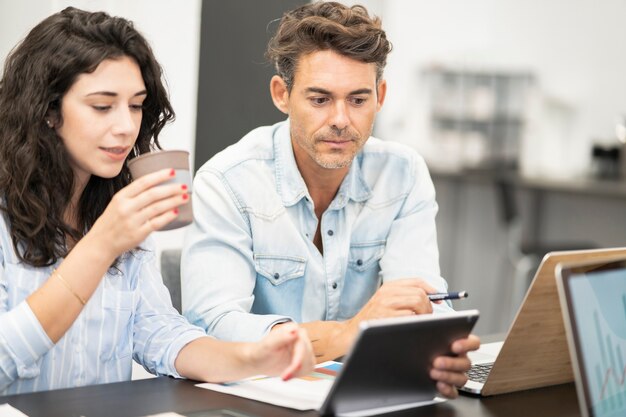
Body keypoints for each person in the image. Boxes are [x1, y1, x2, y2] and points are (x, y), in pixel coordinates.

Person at [0, 7, 314, 395]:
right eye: (102, 106)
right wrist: (102, 243)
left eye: (135, 105)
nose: (126, 126)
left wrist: (251, 358)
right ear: (48, 111)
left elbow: (160, 334)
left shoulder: (115, 204)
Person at [182, 1, 479, 398]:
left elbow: (425, 301)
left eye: (358, 100)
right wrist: (351, 332)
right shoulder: (227, 182)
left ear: (380, 96)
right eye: (320, 99)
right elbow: (213, 329)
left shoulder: (403, 174)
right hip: (257, 399)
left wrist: (438, 350)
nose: (341, 119)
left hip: (365, 391)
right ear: (281, 95)